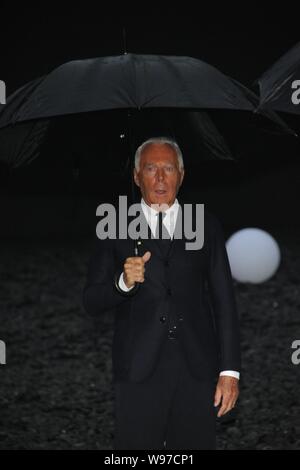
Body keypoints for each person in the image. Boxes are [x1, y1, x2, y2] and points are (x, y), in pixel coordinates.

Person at [83, 136, 241, 450]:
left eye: (168, 168)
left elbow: (225, 302)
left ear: (181, 176)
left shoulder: (206, 225)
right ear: (136, 176)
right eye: (150, 168)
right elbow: (91, 300)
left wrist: (230, 370)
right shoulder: (114, 226)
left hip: (197, 368)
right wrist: (123, 284)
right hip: (137, 369)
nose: (159, 178)